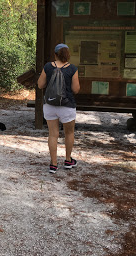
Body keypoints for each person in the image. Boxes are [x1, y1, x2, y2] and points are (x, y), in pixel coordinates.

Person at [37, 43, 80, 174]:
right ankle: (68, 160)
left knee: (53, 134)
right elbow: (76, 89)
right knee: (69, 133)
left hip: (50, 105)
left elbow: (40, 85)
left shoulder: (48, 67)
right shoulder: (72, 68)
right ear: (67, 54)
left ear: (55, 54)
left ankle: (53, 164)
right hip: (67, 106)